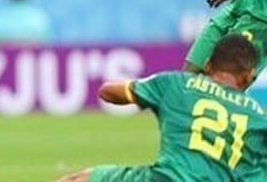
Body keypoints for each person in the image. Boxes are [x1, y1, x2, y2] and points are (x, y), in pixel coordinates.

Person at [58, 35, 267, 182]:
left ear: (208, 64)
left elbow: (108, 92)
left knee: (80, 179)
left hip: (165, 178)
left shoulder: (176, 84)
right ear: (249, 76)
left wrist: (143, 95)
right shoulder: (259, 116)